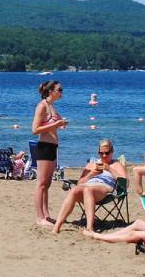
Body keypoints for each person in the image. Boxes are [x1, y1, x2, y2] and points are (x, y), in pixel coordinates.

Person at [52, 138, 127, 233]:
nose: (104, 155)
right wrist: (92, 174)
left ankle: (89, 228)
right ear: (98, 152)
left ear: (112, 152)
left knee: (88, 190)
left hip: (105, 187)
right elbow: (80, 182)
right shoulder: (91, 164)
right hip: (88, 185)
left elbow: (125, 183)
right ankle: (57, 226)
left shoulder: (116, 165)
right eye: (101, 153)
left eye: (107, 153)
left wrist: (109, 169)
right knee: (74, 190)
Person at [31, 80, 67, 227]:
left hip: (52, 147)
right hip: (44, 147)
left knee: (47, 184)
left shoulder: (52, 106)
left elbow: (52, 125)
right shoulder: (42, 106)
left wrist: (61, 125)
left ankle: (46, 215)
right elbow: (35, 129)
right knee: (41, 184)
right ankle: (40, 217)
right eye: (59, 89)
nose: (61, 92)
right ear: (51, 91)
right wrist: (56, 124)